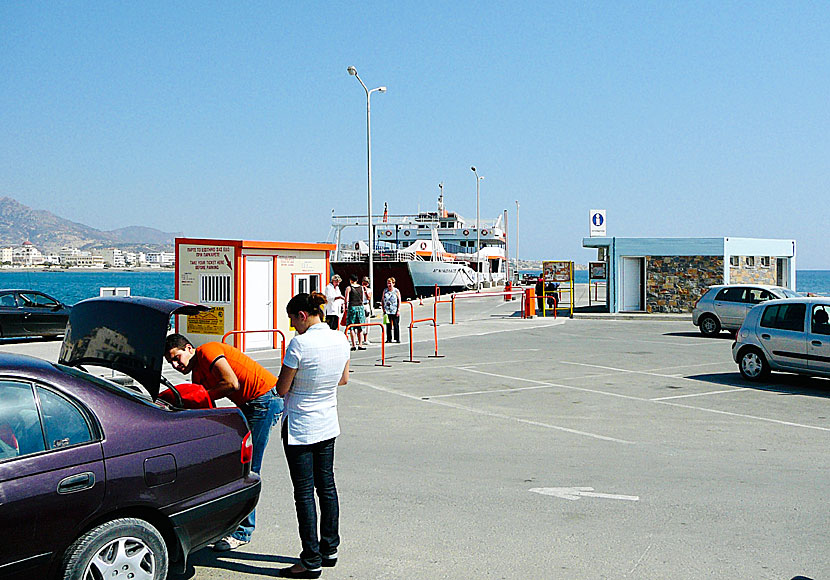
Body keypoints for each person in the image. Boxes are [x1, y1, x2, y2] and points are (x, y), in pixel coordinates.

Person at [164, 333, 283, 551]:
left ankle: (243, 532)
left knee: (248, 468)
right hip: (249, 404)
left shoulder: (207, 351)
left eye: (176, 357)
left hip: (264, 400)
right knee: (235, 464)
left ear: (189, 349)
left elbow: (231, 383)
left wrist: (198, 396)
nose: (175, 364)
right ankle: (232, 525)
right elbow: (206, 405)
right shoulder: (197, 374)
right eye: (170, 362)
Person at [276, 292, 350, 579]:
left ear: (302, 316)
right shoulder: (340, 338)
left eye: (293, 320)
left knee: (304, 493)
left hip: (300, 425)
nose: (293, 326)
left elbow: (283, 388)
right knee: (327, 487)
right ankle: (329, 548)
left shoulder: (299, 343)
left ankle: (310, 559)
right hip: (328, 421)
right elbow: (343, 379)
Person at [343, 273, 366, 350]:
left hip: (352, 307)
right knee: (360, 327)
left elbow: (346, 299)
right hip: (360, 307)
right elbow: (362, 298)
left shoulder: (349, 288)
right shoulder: (361, 288)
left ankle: (353, 345)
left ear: (350, 280)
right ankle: (360, 344)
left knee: (351, 326)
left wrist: (345, 307)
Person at [382, 277, 402, 343]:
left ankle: (397, 338)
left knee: (396, 325)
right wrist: (383, 309)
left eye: (390, 283)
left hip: (394, 310)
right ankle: (388, 338)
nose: (389, 285)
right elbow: (382, 300)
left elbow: (399, 300)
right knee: (388, 325)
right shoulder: (385, 290)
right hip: (387, 310)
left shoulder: (396, 291)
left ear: (393, 283)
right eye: (388, 283)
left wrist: (398, 310)